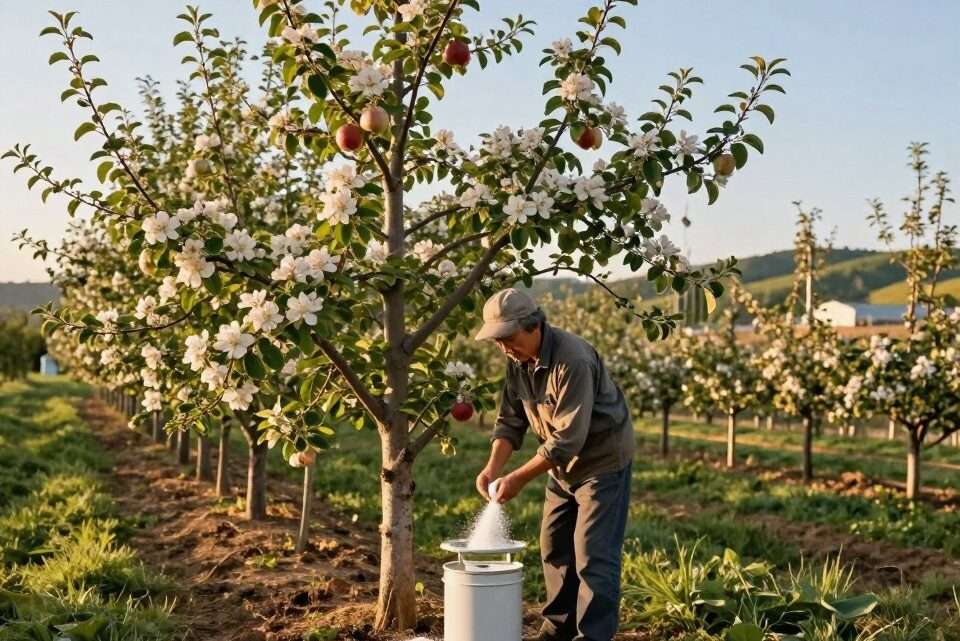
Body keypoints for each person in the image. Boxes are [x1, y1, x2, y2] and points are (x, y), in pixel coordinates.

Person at [473, 288, 635, 641]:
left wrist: (517, 478)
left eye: (508, 338)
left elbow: (567, 440)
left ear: (534, 326)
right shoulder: (518, 361)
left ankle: (592, 635)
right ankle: (559, 628)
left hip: (600, 463)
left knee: (593, 555)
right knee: (554, 545)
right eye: (497, 341)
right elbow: (510, 421)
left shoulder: (572, 360)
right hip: (561, 468)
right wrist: (492, 469)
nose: (504, 348)